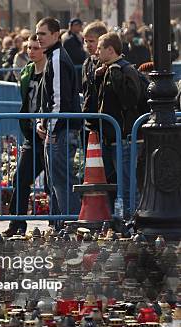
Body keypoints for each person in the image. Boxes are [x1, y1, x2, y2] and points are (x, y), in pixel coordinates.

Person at [35, 17, 82, 224]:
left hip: (60, 132)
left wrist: (51, 129)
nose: (39, 38)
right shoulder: (54, 56)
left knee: (61, 182)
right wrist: (42, 122)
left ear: (55, 34)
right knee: (55, 182)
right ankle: (60, 226)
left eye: (43, 34)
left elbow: (59, 100)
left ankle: (71, 226)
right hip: (57, 129)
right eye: (37, 34)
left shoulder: (57, 58)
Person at [4, 35, 48, 236]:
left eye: (35, 48)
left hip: (49, 135)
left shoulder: (51, 72)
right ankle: (17, 223)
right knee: (20, 179)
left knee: (51, 184)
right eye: (29, 48)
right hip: (32, 136)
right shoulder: (28, 72)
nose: (31, 51)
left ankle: (58, 224)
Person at [95, 32, 142, 218]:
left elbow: (130, 99)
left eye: (100, 48)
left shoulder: (125, 69)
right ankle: (124, 218)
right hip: (112, 137)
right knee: (119, 182)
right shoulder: (106, 69)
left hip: (125, 136)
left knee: (128, 183)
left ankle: (133, 219)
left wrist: (114, 73)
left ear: (110, 50)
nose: (96, 52)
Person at [81, 21, 109, 145]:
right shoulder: (87, 63)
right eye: (86, 41)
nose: (88, 45)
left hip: (105, 123)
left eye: (91, 41)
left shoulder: (109, 63)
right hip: (89, 121)